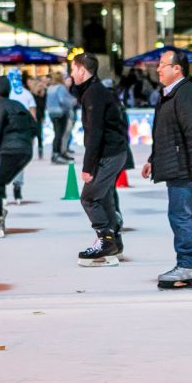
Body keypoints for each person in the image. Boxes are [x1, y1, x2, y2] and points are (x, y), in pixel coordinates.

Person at [141, 48, 192, 289]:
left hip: (184, 169)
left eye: (162, 64)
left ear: (177, 69)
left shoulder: (184, 94)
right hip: (178, 164)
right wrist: (153, 159)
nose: (158, 68)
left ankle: (187, 265)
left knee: (180, 216)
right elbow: (167, 134)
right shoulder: (170, 94)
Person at [71, 53, 129, 267]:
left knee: (89, 197)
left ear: (81, 70)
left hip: (109, 153)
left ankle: (105, 239)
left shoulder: (93, 93)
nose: (70, 74)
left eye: (72, 69)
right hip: (115, 151)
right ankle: (116, 242)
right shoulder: (93, 91)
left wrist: (88, 167)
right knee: (104, 198)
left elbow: (95, 132)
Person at [0, 76, 37, 238]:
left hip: (8, 150)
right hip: (24, 151)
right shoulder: (18, 105)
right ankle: (0, 212)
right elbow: (35, 128)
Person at [6, 69, 36, 205]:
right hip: (23, 131)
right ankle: (17, 186)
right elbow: (33, 116)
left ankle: (2, 189)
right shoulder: (27, 94)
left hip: (5, 131)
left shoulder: (5, 94)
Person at [46, 72, 77, 164]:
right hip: (61, 113)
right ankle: (58, 154)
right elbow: (63, 100)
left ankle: (57, 153)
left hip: (52, 113)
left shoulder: (50, 88)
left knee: (57, 133)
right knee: (60, 134)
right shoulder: (60, 87)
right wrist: (72, 102)